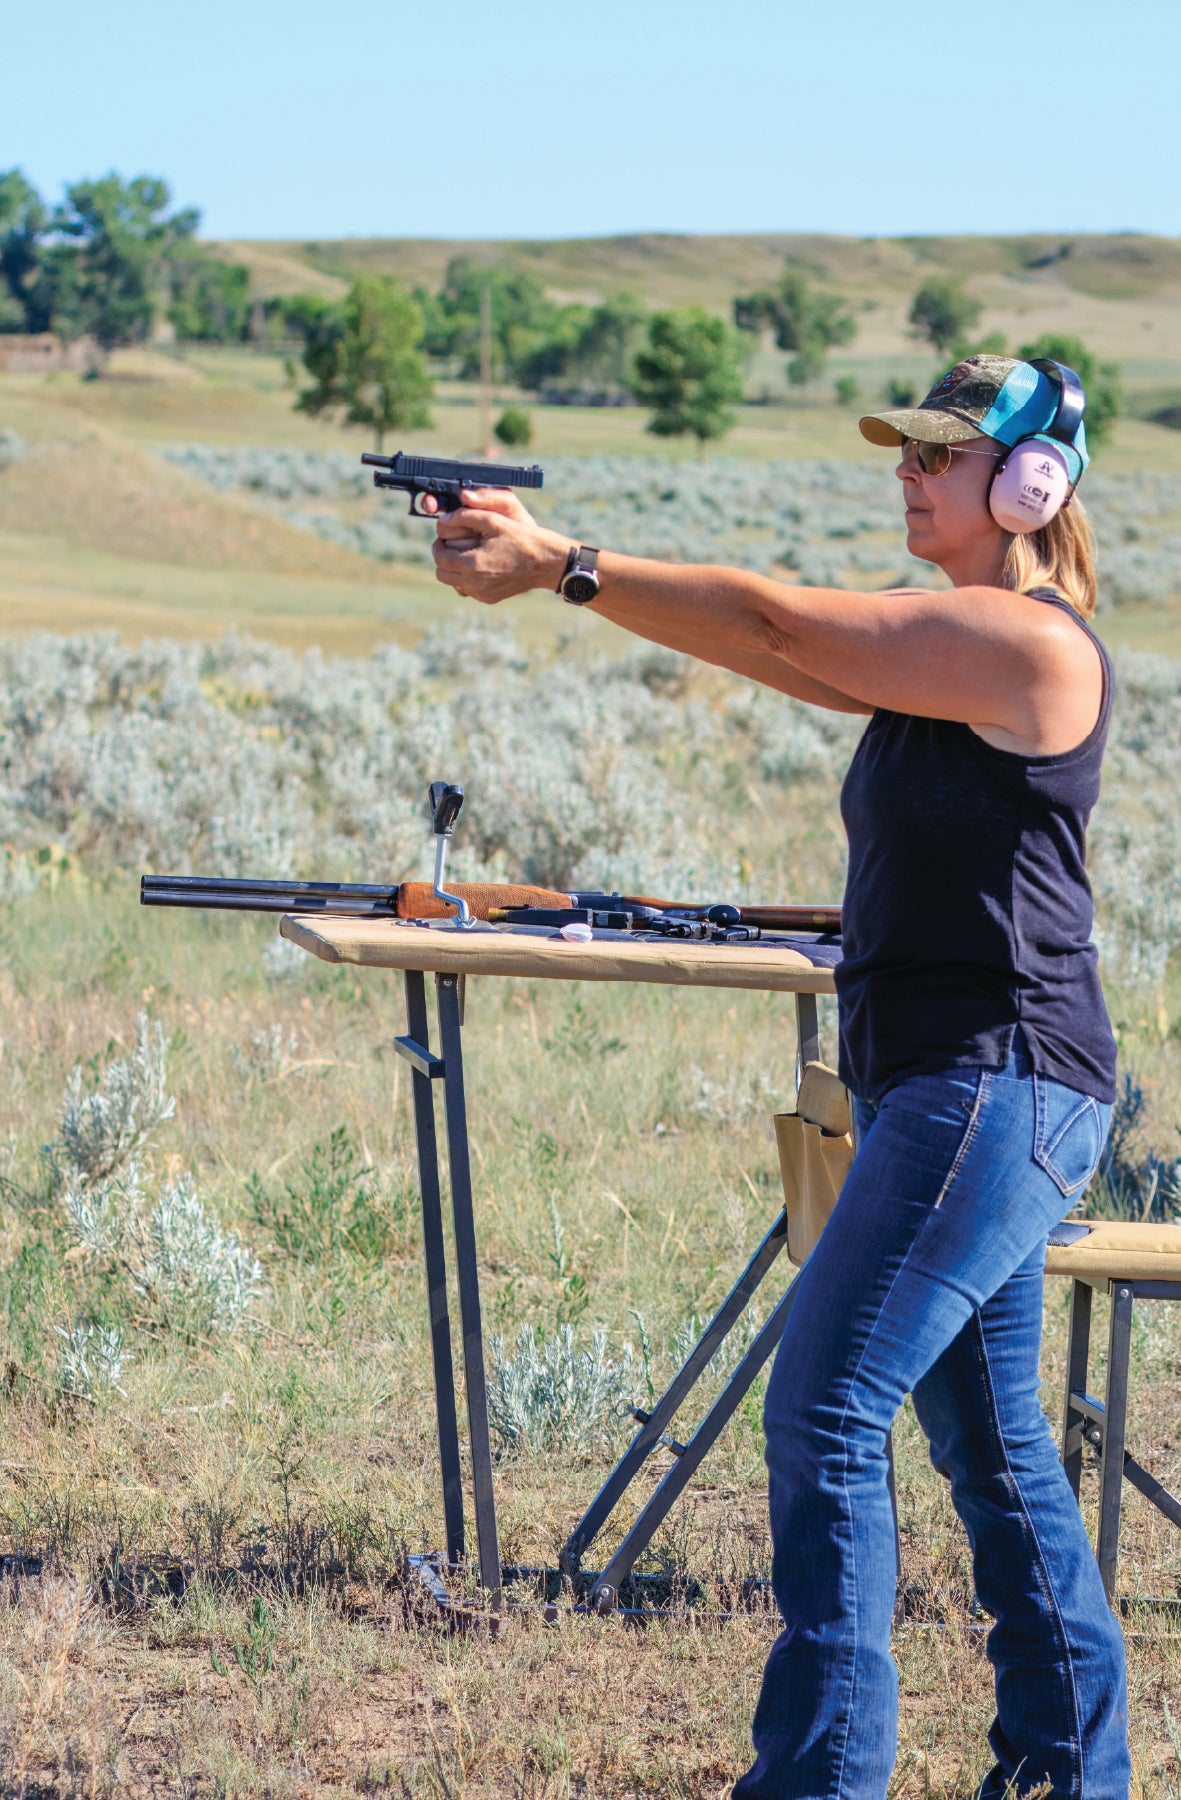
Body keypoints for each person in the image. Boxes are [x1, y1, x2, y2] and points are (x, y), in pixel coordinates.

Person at [425, 354, 1131, 1799]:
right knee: (994, 1454)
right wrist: (579, 587)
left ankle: (822, 1782)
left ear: (1030, 484)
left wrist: (563, 563)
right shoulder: (953, 644)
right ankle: (1071, 1772)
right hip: (961, 1091)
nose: (906, 471)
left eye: (939, 453)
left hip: (994, 1087)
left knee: (824, 1403)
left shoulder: (1034, 648)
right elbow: (777, 649)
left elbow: (772, 614)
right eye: (908, 449)